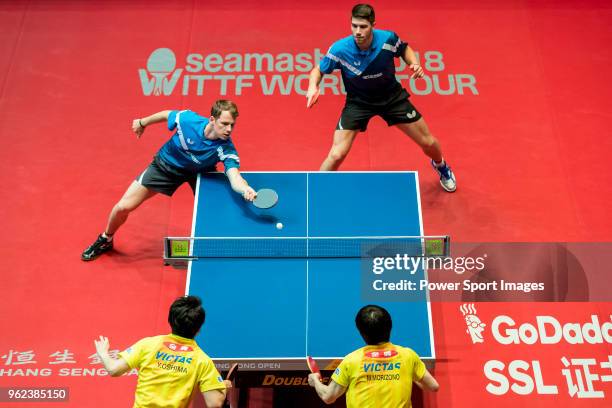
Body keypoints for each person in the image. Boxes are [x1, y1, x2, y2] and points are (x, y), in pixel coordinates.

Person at [306, 4, 456, 192]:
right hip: (359, 102)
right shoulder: (340, 49)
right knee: (336, 155)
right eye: (354, 26)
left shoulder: (387, 39)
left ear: (373, 25)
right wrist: (313, 86)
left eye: (363, 26)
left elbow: (405, 50)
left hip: (391, 98)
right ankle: (313, 193)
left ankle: (441, 165)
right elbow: (318, 70)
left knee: (428, 142)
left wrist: (414, 63)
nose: (358, 31)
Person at [82, 99, 257, 261]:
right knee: (122, 207)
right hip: (167, 165)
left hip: (200, 173)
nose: (228, 129)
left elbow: (234, 176)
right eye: (224, 124)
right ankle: (106, 238)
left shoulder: (226, 148)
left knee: (213, 212)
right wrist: (142, 122)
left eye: (232, 125)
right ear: (212, 119)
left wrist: (245, 189)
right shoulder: (188, 120)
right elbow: (167, 114)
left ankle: (214, 247)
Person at [94, 295, 229, 408]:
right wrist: (223, 387)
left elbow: (113, 369)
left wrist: (103, 353)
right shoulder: (202, 360)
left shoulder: (148, 344)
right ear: (199, 328)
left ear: (170, 320)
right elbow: (214, 403)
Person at [308, 305, 439, 407]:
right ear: (390, 326)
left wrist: (315, 381)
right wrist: (409, 372)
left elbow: (328, 397)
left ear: (362, 333)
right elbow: (433, 386)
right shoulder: (408, 356)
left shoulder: (351, 361)